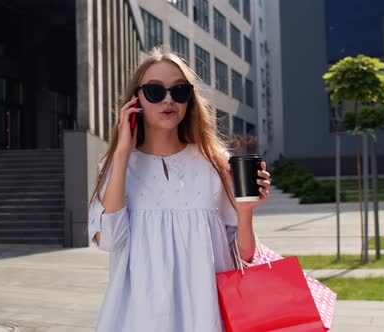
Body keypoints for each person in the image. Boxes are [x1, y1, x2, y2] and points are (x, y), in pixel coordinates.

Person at [87, 47, 272, 331]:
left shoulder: (214, 163)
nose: (169, 99)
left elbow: (243, 257)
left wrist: (245, 212)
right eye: (155, 91)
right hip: (138, 317)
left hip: (205, 317)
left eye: (179, 90)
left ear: (190, 99)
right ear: (135, 100)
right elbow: (109, 240)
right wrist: (122, 152)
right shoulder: (117, 167)